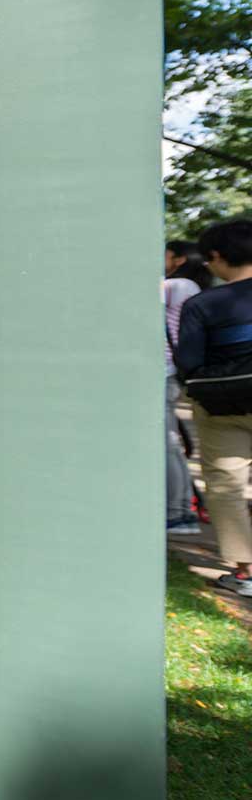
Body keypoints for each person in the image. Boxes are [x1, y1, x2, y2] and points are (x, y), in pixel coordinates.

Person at [176, 221, 252, 594]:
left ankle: (246, 572)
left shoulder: (203, 304)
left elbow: (188, 362)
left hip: (224, 407)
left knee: (227, 485)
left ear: (217, 257)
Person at [165, 243, 205, 534]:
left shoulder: (178, 284)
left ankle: (179, 513)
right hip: (170, 372)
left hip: (164, 372)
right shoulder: (188, 286)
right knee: (170, 442)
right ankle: (181, 510)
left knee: (168, 443)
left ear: (179, 259)